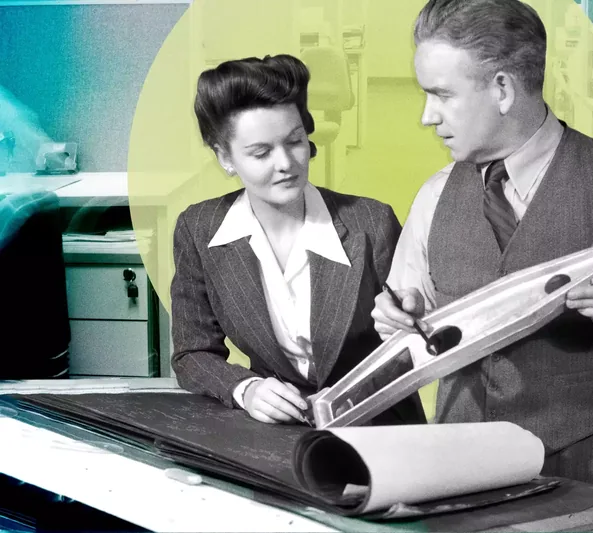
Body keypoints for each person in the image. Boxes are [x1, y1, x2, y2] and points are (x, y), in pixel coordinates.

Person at [371, 0, 593, 504]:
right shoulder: (435, 194)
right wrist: (400, 319)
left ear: (503, 89)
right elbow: (406, 321)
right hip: (457, 471)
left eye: (442, 95)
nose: (428, 116)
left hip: (585, 471)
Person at [171, 54, 425, 426]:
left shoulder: (371, 222)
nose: (286, 163)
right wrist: (247, 388)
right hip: (278, 431)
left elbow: (412, 345)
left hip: (380, 425)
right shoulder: (200, 228)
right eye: (261, 152)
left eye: (295, 142)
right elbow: (191, 353)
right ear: (225, 157)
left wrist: (353, 389)